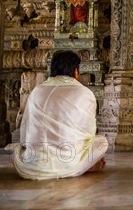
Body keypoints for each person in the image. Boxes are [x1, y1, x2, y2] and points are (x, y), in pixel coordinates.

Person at [9, 50, 108, 180]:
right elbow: (88, 133)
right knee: (102, 142)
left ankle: (79, 164)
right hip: (67, 161)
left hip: (31, 164)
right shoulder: (84, 93)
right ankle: (82, 166)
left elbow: (25, 131)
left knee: (21, 150)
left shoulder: (37, 90)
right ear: (76, 71)